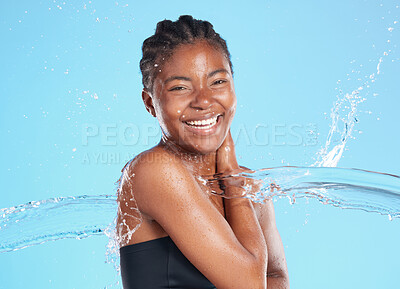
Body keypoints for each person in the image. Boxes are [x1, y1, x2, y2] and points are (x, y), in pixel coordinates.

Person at [116, 15, 289, 289]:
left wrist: (236, 181)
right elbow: (251, 286)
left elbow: (279, 281)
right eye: (180, 88)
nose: (204, 101)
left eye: (218, 82)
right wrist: (231, 177)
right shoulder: (154, 170)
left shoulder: (250, 189)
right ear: (150, 103)